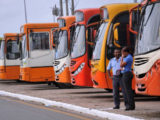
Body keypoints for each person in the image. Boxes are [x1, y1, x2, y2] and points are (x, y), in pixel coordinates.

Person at [120, 46, 135, 111]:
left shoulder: (127, 58)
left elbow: (121, 65)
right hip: (127, 73)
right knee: (128, 90)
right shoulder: (129, 57)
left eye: (122, 52)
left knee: (127, 91)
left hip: (126, 74)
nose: (122, 54)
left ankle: (130, 106)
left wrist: (122, 58)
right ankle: (130, 105)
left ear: (126, 52)